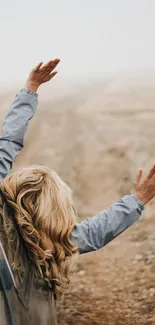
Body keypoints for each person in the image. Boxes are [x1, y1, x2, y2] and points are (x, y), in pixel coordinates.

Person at [0, 59, 155, 325]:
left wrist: (31, 87)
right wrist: (138, 199)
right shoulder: (53, 245)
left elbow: (7, 146)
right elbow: (95, 232)